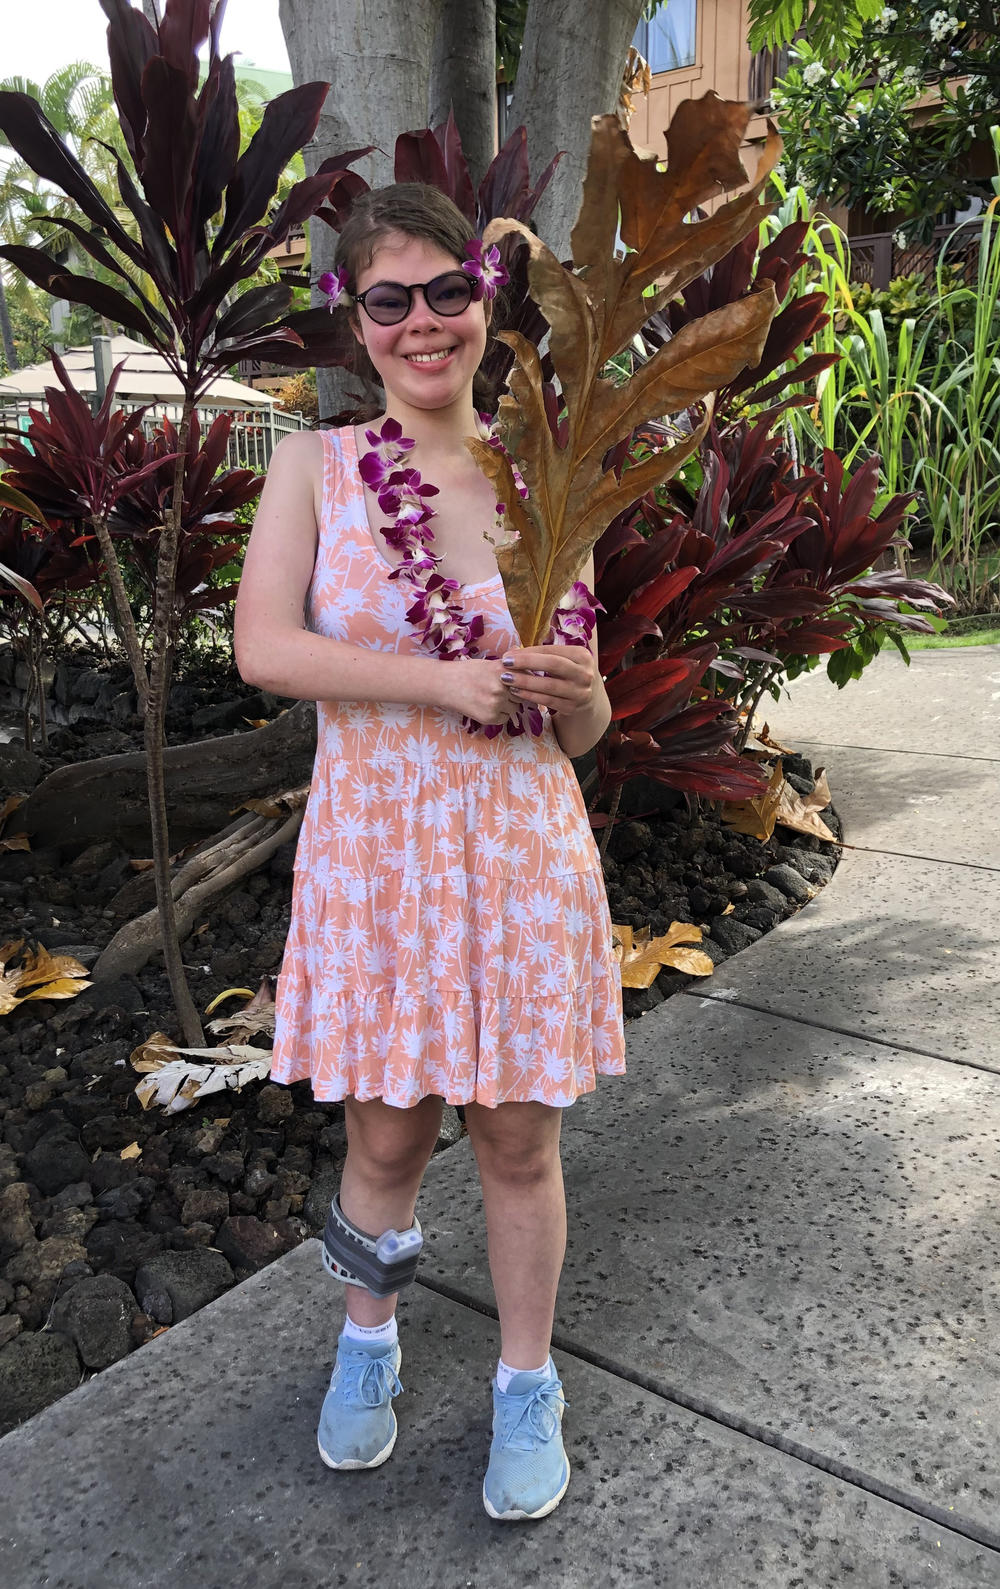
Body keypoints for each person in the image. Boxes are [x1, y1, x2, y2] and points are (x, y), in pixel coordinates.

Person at [234, 182, 626, 1522]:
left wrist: (573, 698)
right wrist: (427, 684)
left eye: (445, 292)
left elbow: (590, 721)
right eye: (387, 300)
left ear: (483, 293)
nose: (422, 323)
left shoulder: (549, 471)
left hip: (520, 850)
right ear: (357, 320)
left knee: (518, 1138)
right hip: (380, 857)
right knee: (387, 1136)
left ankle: (527, 1382)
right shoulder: (316, 467)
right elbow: (263, 647)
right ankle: (369, 1340)